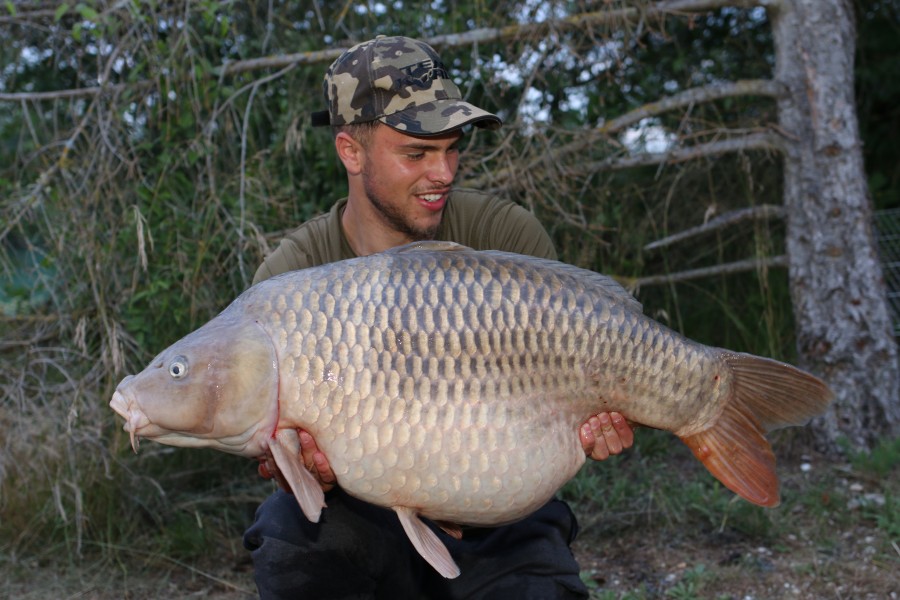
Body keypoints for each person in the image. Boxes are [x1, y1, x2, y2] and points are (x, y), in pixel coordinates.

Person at [242, 35, 634, 599]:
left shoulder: (505, 237)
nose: (444, 172)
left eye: (452, 149)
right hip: (357, 518)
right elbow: (265, 433)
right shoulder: (293, 276)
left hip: (497, 516)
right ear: (351, 152)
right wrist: (300, 466)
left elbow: (567, 400)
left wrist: (596, 419)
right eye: (417, 154)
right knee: (288, 533)